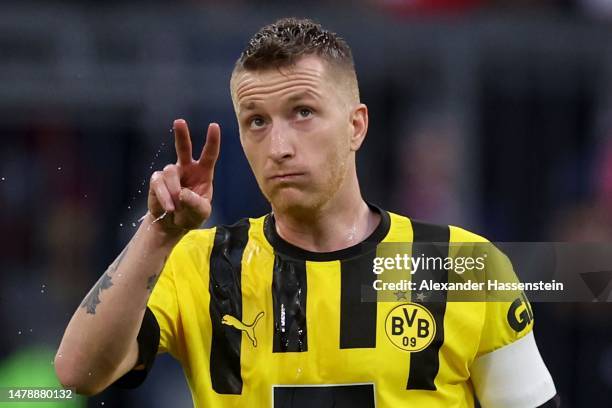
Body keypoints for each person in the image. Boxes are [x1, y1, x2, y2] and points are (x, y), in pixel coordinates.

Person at [55, 18, 558, 408]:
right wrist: (158, 236)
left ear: (356, 126)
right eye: (256, 121)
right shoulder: (199, 265)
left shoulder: (464, 265)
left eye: (303, 112)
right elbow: (78, 372)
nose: (279, 146)